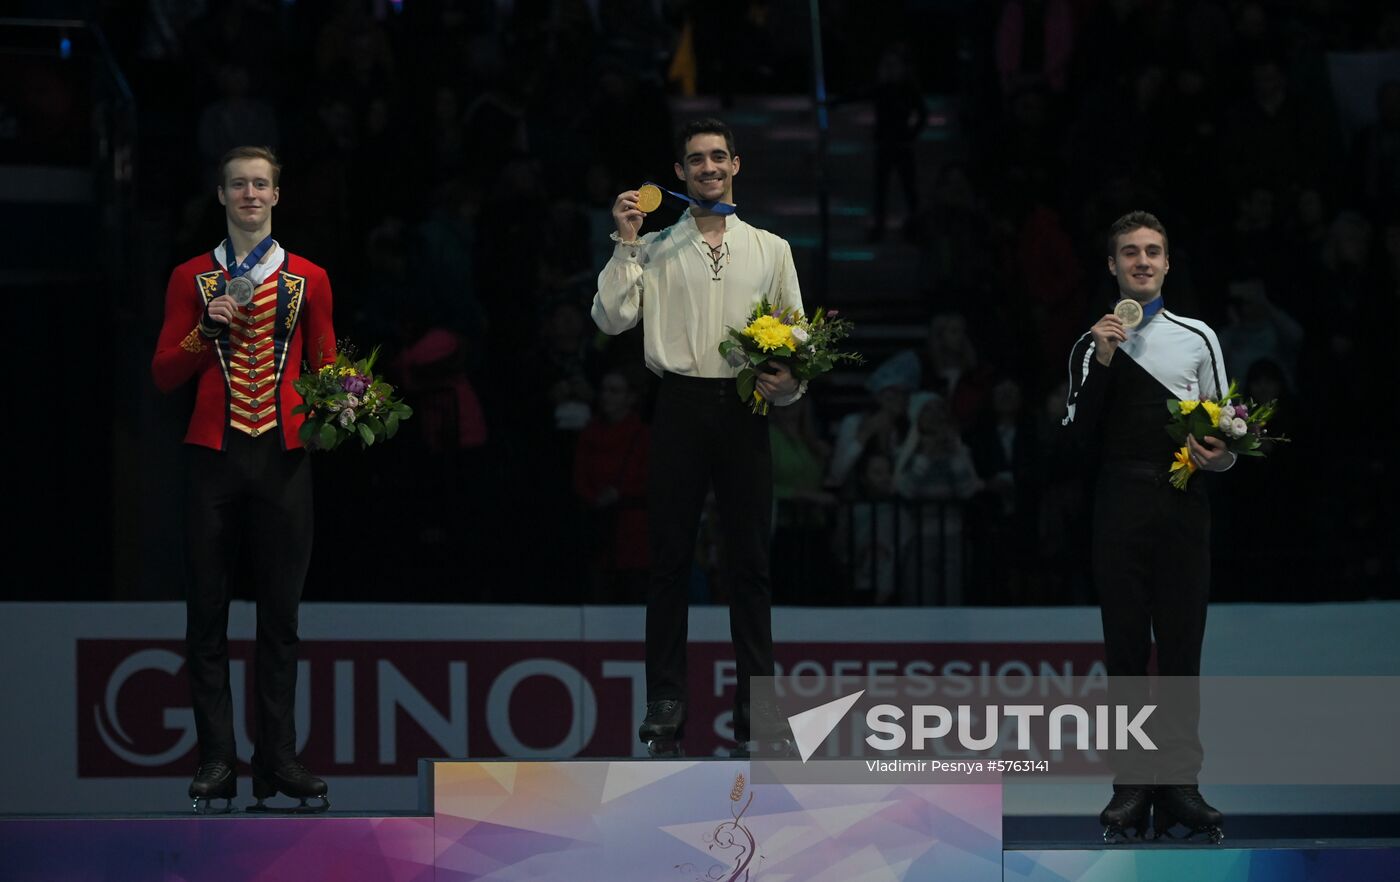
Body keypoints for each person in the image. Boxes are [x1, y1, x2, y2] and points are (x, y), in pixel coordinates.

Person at [591, 118, 802, 756]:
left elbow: (795, 333)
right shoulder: (655, 248)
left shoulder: (771, 247)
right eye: (695, 160)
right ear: (678, 174)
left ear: (736, 165)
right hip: (679, 404)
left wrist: (787, 381)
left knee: (751, 566)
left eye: (718, 157)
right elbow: (611, 317)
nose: (708, 167)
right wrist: (626, 244)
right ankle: (665, 702)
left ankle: (756, 710)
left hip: (743, 407)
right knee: (669, 562)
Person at [152, 146, 335, 813]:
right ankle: (216, 760)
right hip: (212, 457)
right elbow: (164, 373)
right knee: (207, 614)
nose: (251, 194)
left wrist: (347, 402)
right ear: (222, 195)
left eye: (261, 184)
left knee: (280, 619)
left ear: (277, 196)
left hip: (284, 459)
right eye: (239, 185)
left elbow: (327, 367)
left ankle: (277, 759)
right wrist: (204, 333)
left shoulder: (309, 277)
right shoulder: (190, 277)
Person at [1061, 211, 1229, 842]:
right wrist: (1103, 355)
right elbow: (1075, 443)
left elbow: (1227, 425)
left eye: (1152, 251)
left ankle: (1181, 787)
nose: (1141, 261)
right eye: (1129, 252)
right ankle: (1131, 787)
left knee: (1183, 649)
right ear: (1112, 266)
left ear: (1167, 263)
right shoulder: (1089, 342)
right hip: (1118, 504)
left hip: (1184, 505)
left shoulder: (1198, 337)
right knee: (1126, 652)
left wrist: (1223, 455)